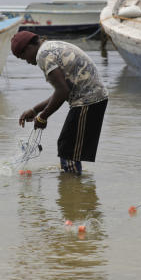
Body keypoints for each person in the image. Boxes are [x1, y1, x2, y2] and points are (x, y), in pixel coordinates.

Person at [11, 30, 108, 175]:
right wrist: (35, 110)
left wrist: (43, 117)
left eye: (23, 57)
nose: (27, 62)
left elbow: (62, 91)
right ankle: (73, 186)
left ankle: (73, 189)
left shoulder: (43, 55)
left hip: (88, 100)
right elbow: (63, 90)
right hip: (89, 98)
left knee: (68, 149)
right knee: (67, 146)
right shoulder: (49, 46)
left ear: (29, 48)